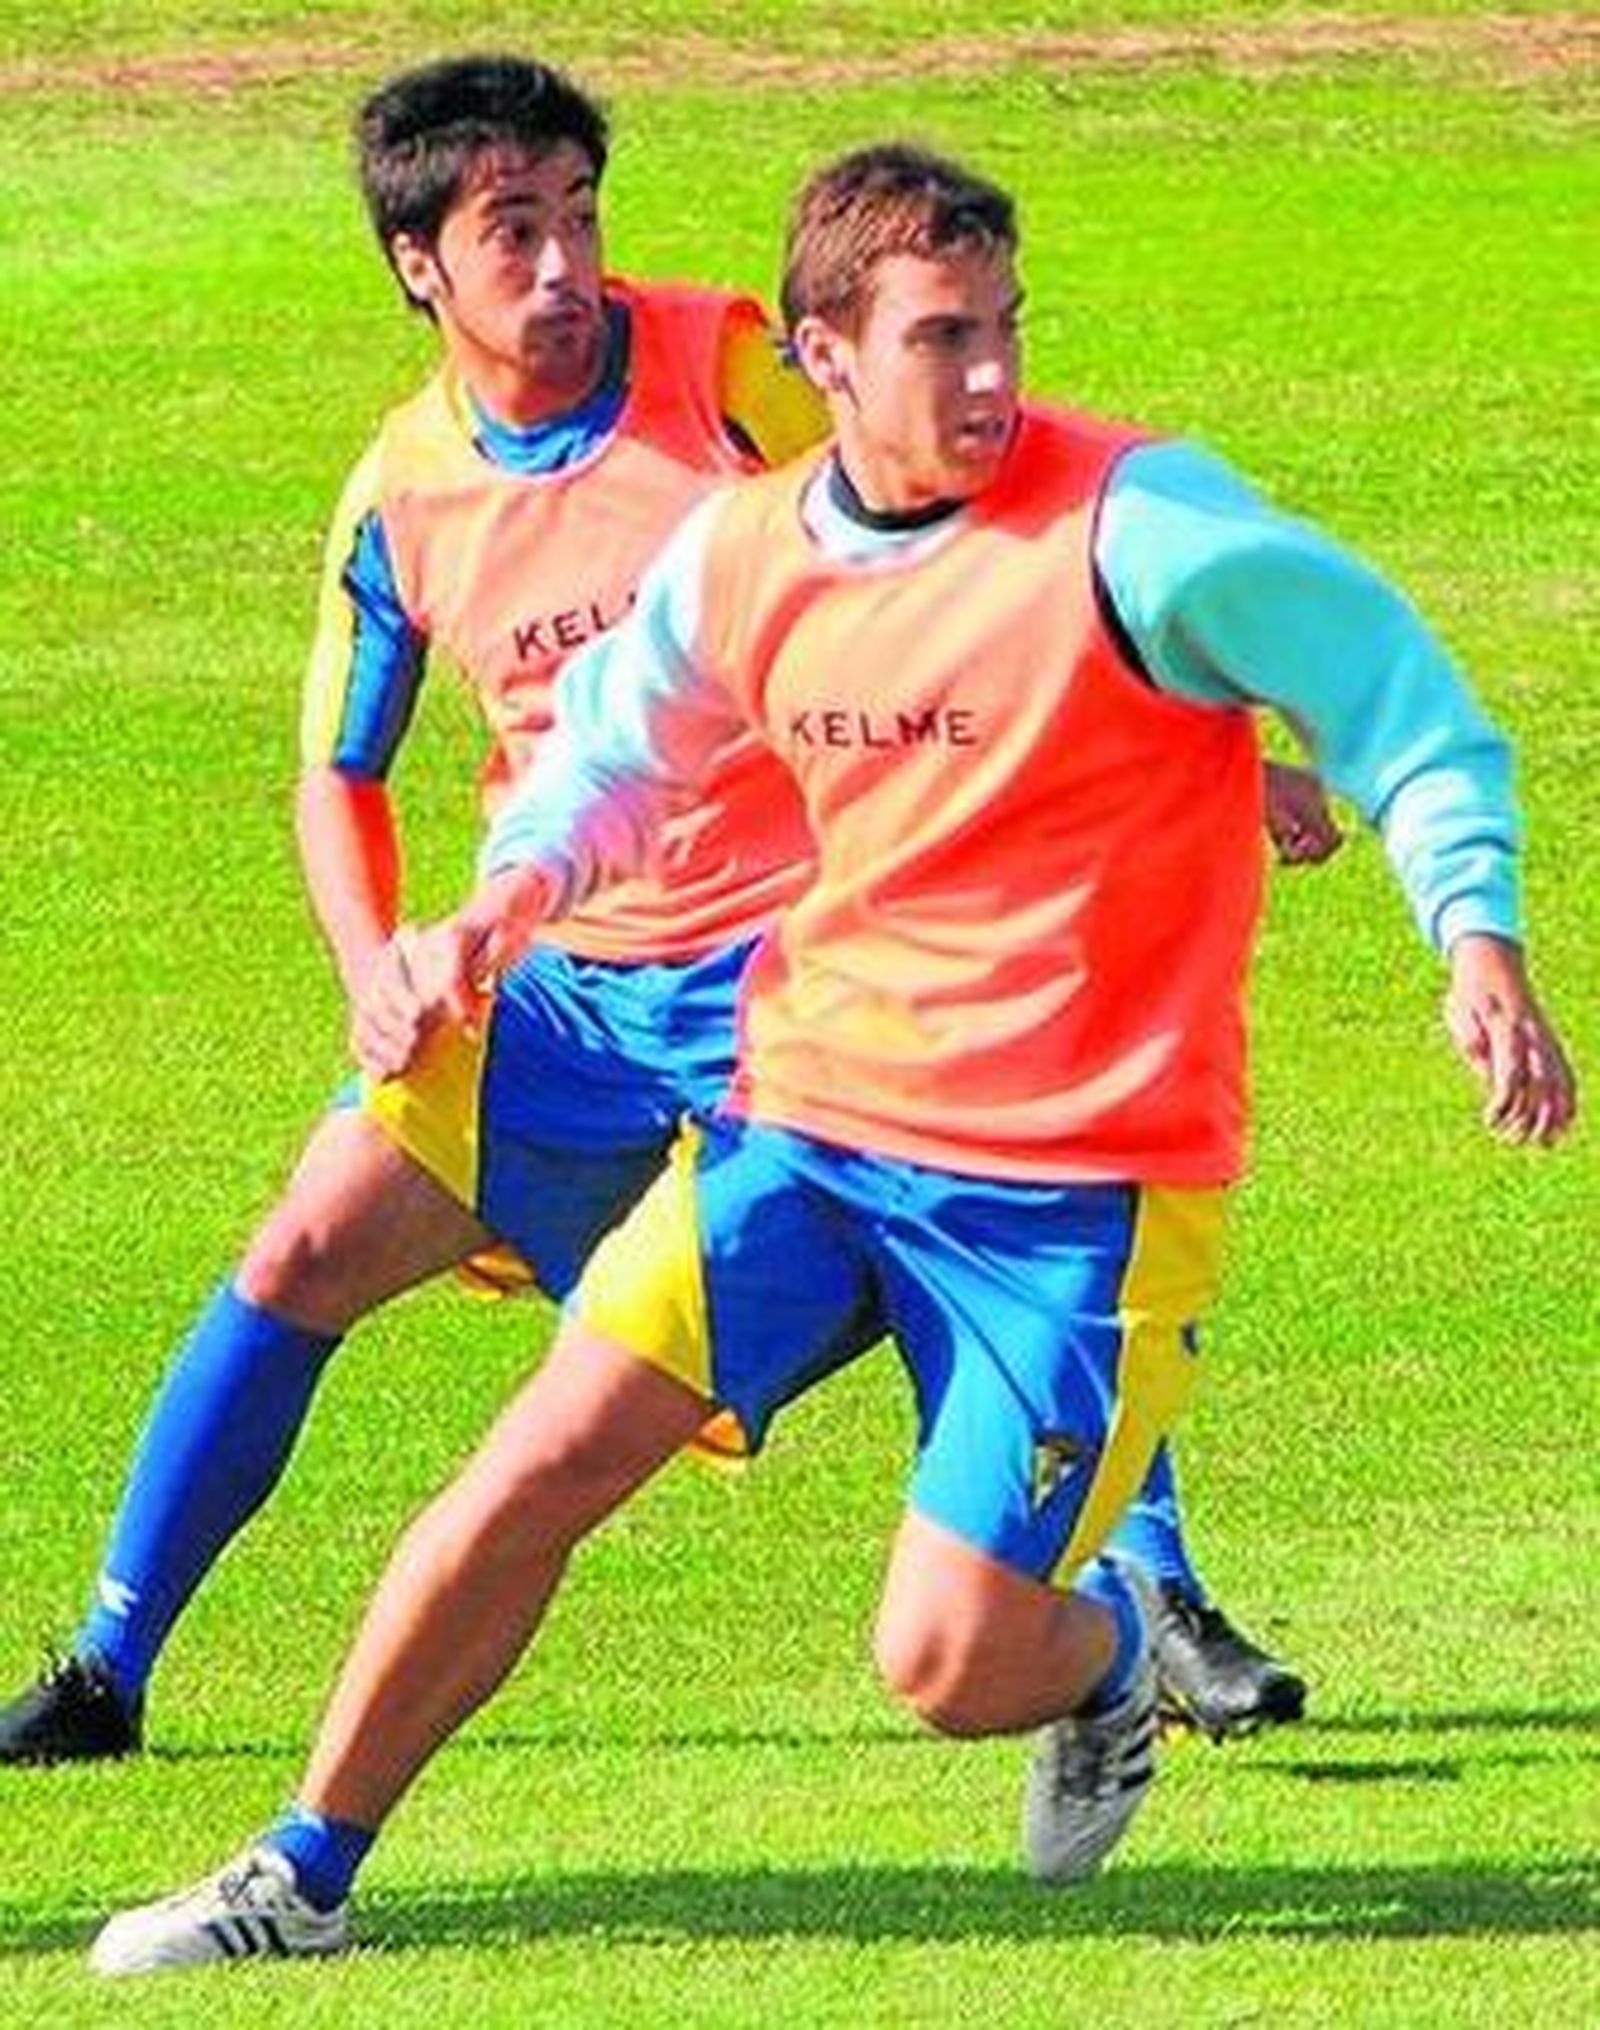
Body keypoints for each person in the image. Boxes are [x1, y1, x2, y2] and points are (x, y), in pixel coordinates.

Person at [87, 140, 1574, 1976]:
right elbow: (619, 751)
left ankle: (1103, 1665)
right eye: (943, 339)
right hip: (809, 1127)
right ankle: (302, 1872)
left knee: (944, 1660)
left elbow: (1401, 705)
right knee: (528, 1463)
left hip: (1077, 1191)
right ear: (830, 355)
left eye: (1007, 330)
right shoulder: (754, 548)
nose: (992, 378)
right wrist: (508, 894)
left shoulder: (1139, 527)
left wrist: (1476, 936)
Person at [2, 63, 1318, 1769]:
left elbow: (984, 516)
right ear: (420, 263)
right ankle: (110, 1662)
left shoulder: (725, 373)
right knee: (303, 1244)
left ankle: (1156, 1610)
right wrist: (377, 973)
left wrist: (1205, 751)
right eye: (512, 233)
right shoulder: (400, 496)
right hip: (562, 987)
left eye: (580, 219)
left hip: (803, 954)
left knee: (976, 1242)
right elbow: (340, 771)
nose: (562, 267)